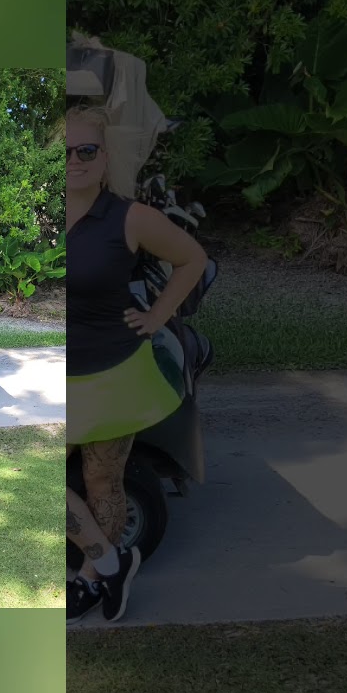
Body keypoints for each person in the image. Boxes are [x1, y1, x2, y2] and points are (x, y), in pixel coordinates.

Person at [66, 103, 208, 625]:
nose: (75, 161)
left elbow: (192, 259)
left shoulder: (129, 217)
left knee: (103, 482)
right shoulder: (37, 214)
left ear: (104, 159)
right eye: (65, 152)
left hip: (112, 371)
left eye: (87, 150)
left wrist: (157, 315)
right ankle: (112, 560)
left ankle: (88, 578)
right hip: (54, 370)